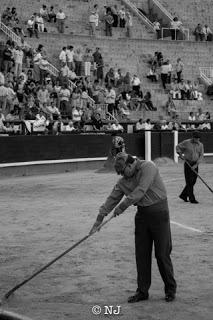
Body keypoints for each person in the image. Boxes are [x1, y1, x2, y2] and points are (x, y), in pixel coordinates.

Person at [89, 152, 177, 303]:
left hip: (159, 214)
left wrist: (122, 207)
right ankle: (142, 291)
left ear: (130, 165)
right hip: (142, 216)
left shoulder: (148, 167)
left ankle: (170, 289)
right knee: (141, 255)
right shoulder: (123, 181)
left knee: (162, 254)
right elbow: (111, 199)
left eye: (123, 171)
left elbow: (140, 191)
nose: (123, 175)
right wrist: (98, 221)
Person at [176, 131, 204, 203]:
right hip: (188, 163)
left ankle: (183, 195)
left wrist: (196, 165)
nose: (197, 140)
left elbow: (201, 156)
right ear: (193, 137)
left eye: (198, 138)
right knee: (189, 182)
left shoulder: (200, 145)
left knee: (193, 181)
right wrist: (180, 154)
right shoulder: (186, 142)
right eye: (196, 138)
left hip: (195, 164)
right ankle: (192, 198)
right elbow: (178, 146)